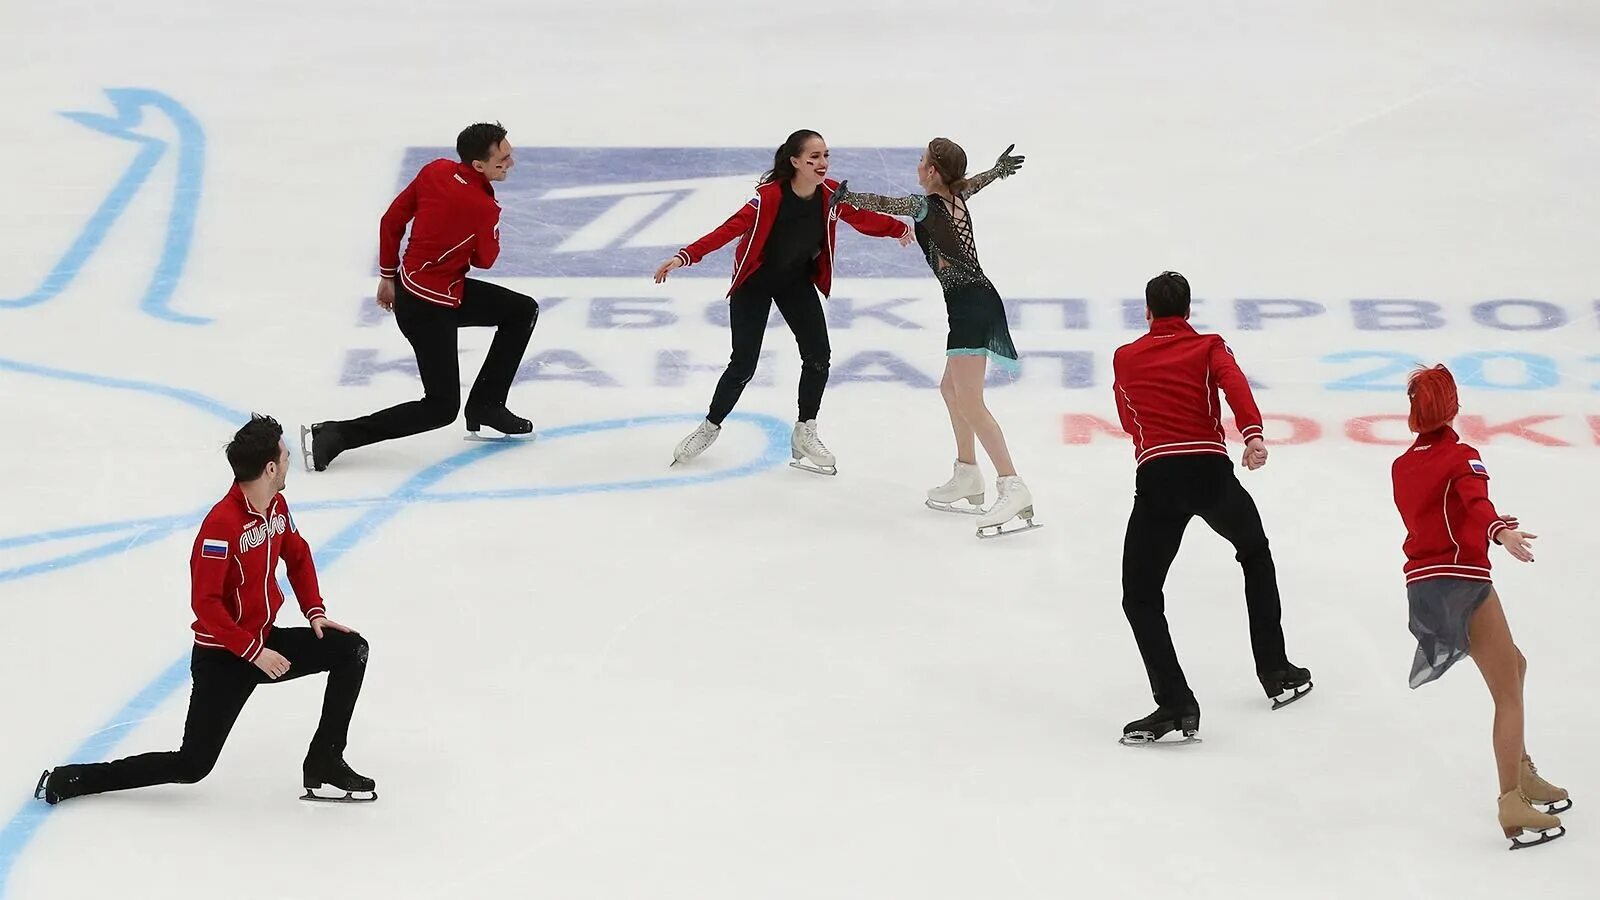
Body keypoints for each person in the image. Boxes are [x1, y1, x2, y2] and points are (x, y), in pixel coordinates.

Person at [35, 415, 376, 804]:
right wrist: (254, 653)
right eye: (283, 456)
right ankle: (72, 779)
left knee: (352, 650)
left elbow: (296, 554)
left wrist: (314, 611)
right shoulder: (221, 526)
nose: (287, 463)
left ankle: (325, 760)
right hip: (224, 659)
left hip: (264, 642)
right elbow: (206, 605)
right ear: (269, 468)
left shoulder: (276, 506)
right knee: (192, 765)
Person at [1109, 271, 1310, 745]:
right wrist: (1254, 434)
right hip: (1210, 473)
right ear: (1187, 311)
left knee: (1140, 596)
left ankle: (1175, 701)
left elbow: (1126, 418)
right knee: (1255, 554)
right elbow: (1235, 385)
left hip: (1157, 479)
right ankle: (1276, 669)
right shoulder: (1209, 346)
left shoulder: (1125, 357)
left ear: (1148, 311)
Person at [653, 128, 914, 476]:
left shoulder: (832, 194)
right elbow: (727, 230)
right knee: (743, 365)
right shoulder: (767, 199)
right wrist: (684, 257)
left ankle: (806, 429)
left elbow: (860, 216)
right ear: (795, 162)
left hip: (795, 282)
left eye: (825, 156)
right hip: (755, 284)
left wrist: (897, 228)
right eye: (814, 157)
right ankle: (709, 426)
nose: (822, 164)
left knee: (819, 356)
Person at [1392, 365, 1568, 849]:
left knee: (1516, 664)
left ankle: (1523, 772)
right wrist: (1498, 531)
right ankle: (1511, 800)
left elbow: (1441, 516)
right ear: (1451, 407)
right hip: (1460, 583)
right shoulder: (1461, 455)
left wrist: (1486, 525)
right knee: (1508, 692)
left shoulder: (1403, 465)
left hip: (1424, 585)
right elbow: (1473, 502)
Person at [302, 122, 538, 471]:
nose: (511, 163)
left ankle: (487, 404)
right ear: (477, 166)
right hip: (429, 311)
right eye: (503, 158)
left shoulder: (436, 171)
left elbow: (391, 220)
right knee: (440, 408)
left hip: (420, 290)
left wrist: (386, 276)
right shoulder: (484, 208)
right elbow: (485, 260)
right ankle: (335, 434)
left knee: (520, 310)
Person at [832, 139, 1035, 537]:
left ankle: (1013, 485)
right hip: (971, 302)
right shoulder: (958, 192)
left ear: (934, 173)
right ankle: (967, 474)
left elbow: (885, 203)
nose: (918, 164)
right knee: (950, 390)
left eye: (923, 161)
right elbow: (976, 181)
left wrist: (847, 197)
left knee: (972, 403)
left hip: (971, 307)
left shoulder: (924, 204)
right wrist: (997, 170)